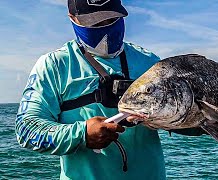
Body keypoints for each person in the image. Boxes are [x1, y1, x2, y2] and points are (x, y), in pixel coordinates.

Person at [15, 0, 166, 179]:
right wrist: (82, 135)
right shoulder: (54, 66)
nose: (105, 28)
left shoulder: (150, 63)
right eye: (94, 23)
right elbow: (26, 130)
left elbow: (191, 121)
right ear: (72, 18)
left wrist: (192, 118)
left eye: (111, 19)